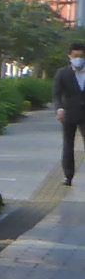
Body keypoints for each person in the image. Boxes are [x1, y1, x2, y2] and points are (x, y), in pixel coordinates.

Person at [57, 43, 85, 187]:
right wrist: (59, 108)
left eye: (81, 56)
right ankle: (68, 176)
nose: (78, 59)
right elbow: (57, 94)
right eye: (75, 56)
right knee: (68, 145)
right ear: (69, 56)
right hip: (69, 113)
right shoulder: (63, 73)